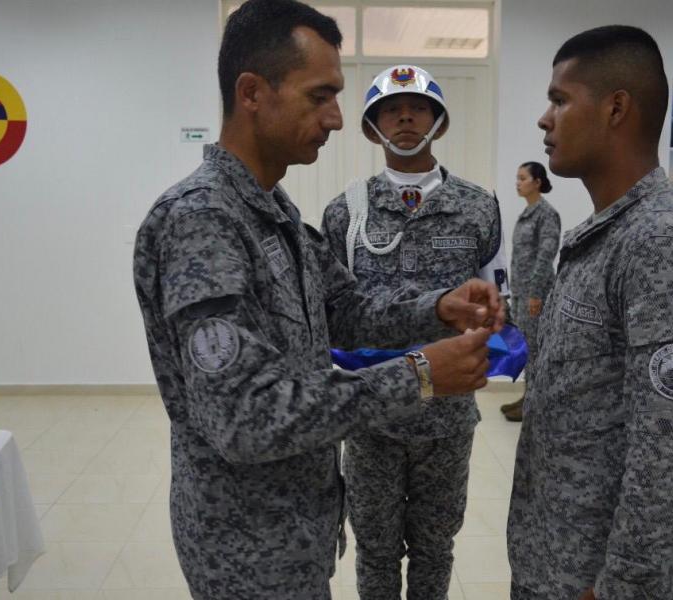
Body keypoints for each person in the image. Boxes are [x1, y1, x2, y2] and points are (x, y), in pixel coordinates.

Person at [132, 2, 505, 599]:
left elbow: (345, 307)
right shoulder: (203, 222)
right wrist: (420, 374)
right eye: (319, 96)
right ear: (252, 92)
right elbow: (246, 415)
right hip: (246, 549)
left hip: (297, 531)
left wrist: (439, 307)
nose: (336, 119)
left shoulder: (275, 214)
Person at [506, 25, 673, 600]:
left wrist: (624, 584)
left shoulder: (664, 243)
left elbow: (669, 445)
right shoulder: (609, 234)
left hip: (597, 580)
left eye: (560, 99)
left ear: (615, 109)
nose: (544, 119)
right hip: (554, 558)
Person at [321, 65, 508, 600]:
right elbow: (333, 312)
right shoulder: (345, 211)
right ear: (371, 125)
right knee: (376, 548)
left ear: (439, 122)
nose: (405, 117)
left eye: (419, 108)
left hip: (447, 419)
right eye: (390, 109)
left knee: (434, 546)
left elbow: (496, 301)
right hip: (371, 414)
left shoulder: (478, 207)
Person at [500, 161, 560, 422]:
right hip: (522, 293)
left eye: (522, 178)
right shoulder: (528, 213)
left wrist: (535, 294)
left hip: (536, 294)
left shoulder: (546, 214)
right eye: (517, 177)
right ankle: (527, 398)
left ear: (537, 182)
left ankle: (533, 406)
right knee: (528, 349)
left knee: (535, 350)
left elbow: (545, 256)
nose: (518, 182)